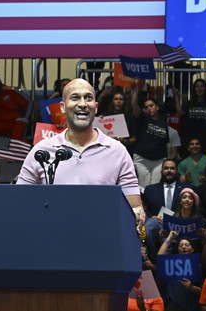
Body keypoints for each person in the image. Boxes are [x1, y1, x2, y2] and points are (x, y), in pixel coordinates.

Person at [16, 79, 145, 229]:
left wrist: (137, 214)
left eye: (88, 98)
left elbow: (135, 207)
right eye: (75, 97)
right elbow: (20, 202)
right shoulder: (42, 151)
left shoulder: (117, 151)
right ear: (63, 107)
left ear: (95, 107)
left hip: (100, 240)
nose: (83, 103)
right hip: (52, 241)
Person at [142, 159, 189, 259]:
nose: (169, 170)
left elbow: (194, 208)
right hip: (158, 225)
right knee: (150, 224)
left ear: (176, 171)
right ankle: (155, 257)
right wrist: (151, 216)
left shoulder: (186, 188)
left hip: (179, 223)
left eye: (172, 168)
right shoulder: (150, 189)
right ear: (161, 171)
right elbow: (144, 209)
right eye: (166, 168)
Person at [131, 82, 171, 188]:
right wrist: (135, 90)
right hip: (142, 159)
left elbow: (166, 143)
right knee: (143, 187)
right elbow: (134, 105)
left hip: (159, 160)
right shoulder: (143, 119)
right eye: (146, 107)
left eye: (151, 106)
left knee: (155, 187)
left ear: (157, 107)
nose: (149, 108)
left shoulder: (163, 124)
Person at [158, 230, 206, 311]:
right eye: (181, 245)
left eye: (187, 245)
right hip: (172, 306)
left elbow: (203, 292)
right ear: (178, 250)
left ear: (192, 249)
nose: (184, 247)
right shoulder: (171, 264)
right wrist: (169, 237)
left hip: (191, 306)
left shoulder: (197, 266)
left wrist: (192, 287)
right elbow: (160, 259)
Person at [178, 78, 206, 158]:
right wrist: (176, 96)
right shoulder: (189, 104)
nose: (199, 88)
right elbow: (180, 113)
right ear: (194, 89)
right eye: (197, 86)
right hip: (190, 136)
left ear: (205, 89)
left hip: (205, 137)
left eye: (202, 86)